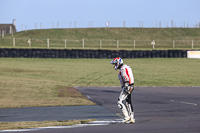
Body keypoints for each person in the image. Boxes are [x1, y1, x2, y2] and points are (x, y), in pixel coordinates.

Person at [110, 57, 135, 124]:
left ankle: (126, 117)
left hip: (127, 86)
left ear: (118, 63)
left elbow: (125, 76)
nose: (114, 65)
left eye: (115, 64)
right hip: (131, 86)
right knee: (128, 102)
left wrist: (126, 85)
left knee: (119, 102)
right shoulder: (126, 67)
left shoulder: (123, 69)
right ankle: (131, 117)